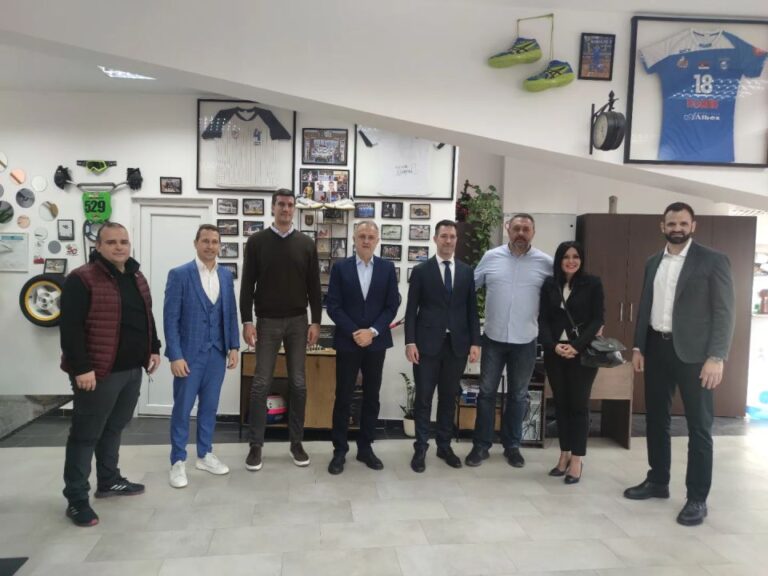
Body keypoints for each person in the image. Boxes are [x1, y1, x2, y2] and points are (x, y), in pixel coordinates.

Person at [624, 202, 735, 526]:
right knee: (656, 419)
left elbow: (725, 312)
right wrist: (639, 346)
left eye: (683, 223)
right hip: (657, 349)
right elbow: (646, 305)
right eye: (671, 223)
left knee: (699, 427)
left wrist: (716, 357)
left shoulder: (713, 260)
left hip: (696, 357)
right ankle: (658, 480)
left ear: (692, 226)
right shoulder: (653, 262)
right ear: (663, 226)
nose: (677, 228)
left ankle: (697, 498)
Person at [59, 222, 161, 527]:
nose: (119, 247)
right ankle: (77, 499)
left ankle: (109, 480)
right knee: (85, 435)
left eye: (124, 242)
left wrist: (154, 348)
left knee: (114, 427)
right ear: (98, 246)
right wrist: (82, 368)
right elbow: (70, 328)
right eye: (112, 242)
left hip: (131, 370)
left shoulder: (136, 276)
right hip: (98, 372)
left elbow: (146, 316)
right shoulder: (82, 279)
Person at [240, 189, 322, 470]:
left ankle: (296, 443)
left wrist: (315, 321)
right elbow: (247, 285)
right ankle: (255, 446)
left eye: (290, 205)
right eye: (281, 205)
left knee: (298, 383)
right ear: (273, 208)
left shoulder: (306, 244)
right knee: (261, 383)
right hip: (267, 322)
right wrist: (247, 321)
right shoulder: (257, 242)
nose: (286, 209)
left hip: (299, 322)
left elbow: (314, 287)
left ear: (294, 209)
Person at [465, 214, 552, 468]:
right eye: (516, 228)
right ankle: (481, 446)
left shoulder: (546, 263)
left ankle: (512, 446)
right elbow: (469, 289)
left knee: (518, 395)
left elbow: (561, 295)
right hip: (493, 338)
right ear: (508, 230)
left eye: (526, 229)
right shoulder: (491, 257)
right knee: (486, 393)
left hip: (526, 340)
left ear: (533, 232)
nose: (520, 233)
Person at [164, 224, 240, 488]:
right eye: (205, 241)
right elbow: (170, 318)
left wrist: (234, 346)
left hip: (217, 353)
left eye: (215, 241)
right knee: (183, 408)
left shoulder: (225, 276)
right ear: (196, 243)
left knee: (209, 407)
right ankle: (177, 460)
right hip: (188, 356)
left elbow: (230, 313)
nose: (210, 246)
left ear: (220, 246)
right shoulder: (180, 274)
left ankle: (205, 454)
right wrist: (175, 355)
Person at [405, 219, 481, 472]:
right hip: (426, 346)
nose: (448, 240)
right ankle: (420, 448)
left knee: (448, 398)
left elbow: (472, 310)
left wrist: (475, 342)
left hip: (456, 346)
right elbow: (411, 310)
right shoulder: (421, 271)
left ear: (456, 240)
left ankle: (444, 446)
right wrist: (410, 342)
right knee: (424, 398)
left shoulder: (467, 272)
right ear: (435, 239)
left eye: (452, 236)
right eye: (444, 236)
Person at [326, 221, 400, 474]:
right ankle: (339, 450)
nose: (366, 240)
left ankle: (365, 448)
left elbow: (392, 305)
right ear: (354, 239)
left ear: (377, 241)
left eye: (370, 237)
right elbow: (333, 305)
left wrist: (373, 331)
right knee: (343, 397)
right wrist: (355, 332)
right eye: (362, 236)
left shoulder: (387, 268)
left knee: (372, 396)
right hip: (348, 341)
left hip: (376, 342)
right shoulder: (340, 268)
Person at [538, 241, 604, 484]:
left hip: (582, 355)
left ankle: (577, 459)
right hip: (555, 353)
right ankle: (564, 454)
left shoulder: (592, 283)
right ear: (559, 260)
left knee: (578, 405)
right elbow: (543, 319)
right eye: (566, 257)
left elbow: (598, 320)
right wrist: (552, 345)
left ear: (581, 259)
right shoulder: (550, 284)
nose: (571, 261)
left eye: (576, 256)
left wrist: (576, 346)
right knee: (561, 405)